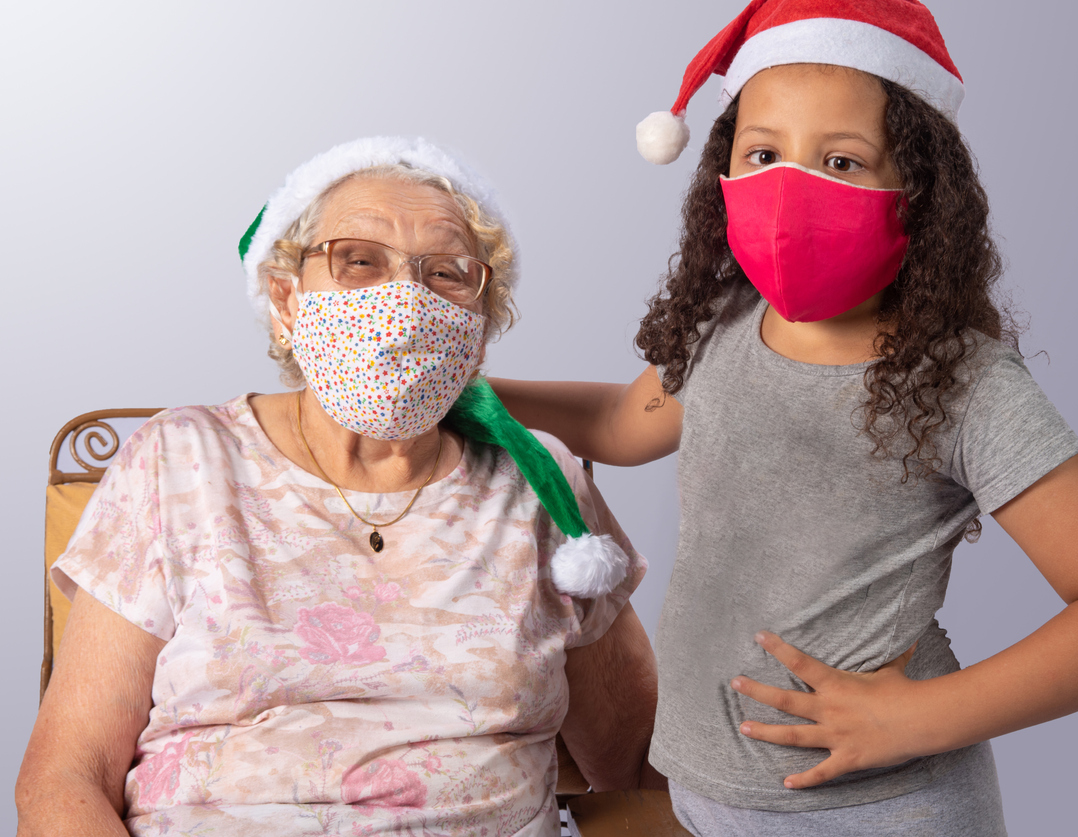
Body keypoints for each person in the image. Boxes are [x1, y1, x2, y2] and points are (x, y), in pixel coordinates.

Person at [489, 1, 1078, 834]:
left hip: (884, 810)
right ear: (723, 170)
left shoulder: (962, 380)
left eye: (843, 161)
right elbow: (616, 423)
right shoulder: (723, 330)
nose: (792, 187)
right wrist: (472, 391)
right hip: (703, 796)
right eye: (764, 153)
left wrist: (920, 717)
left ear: (920, 190)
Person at [16, 136, 656, 837]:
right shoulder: (179, 463)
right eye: (359, 261)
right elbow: (63, 778)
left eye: (444, 272)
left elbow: (643, 764)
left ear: (477, 330)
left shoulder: (539, 488)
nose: (404, 301)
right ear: (287, 299)